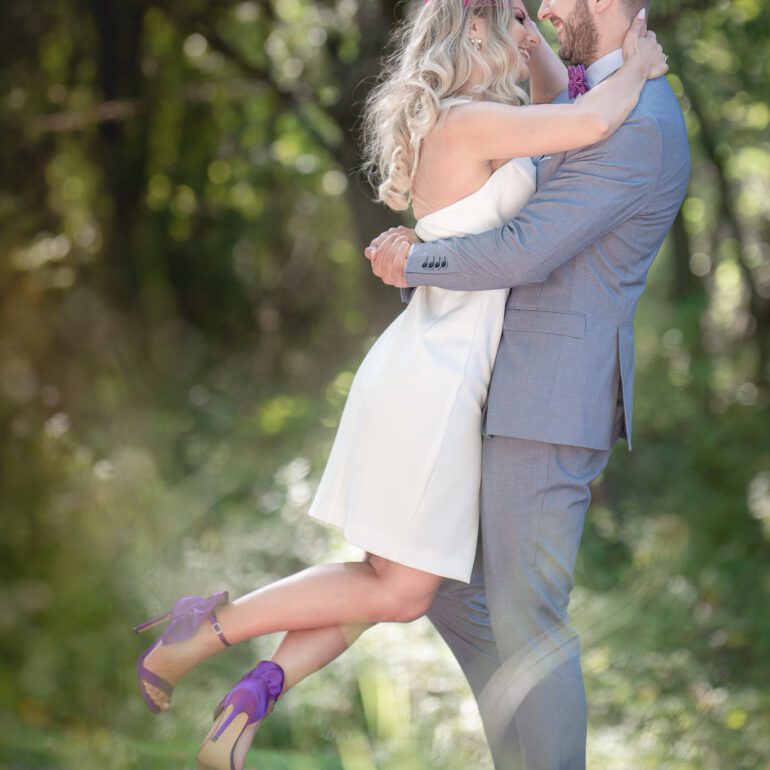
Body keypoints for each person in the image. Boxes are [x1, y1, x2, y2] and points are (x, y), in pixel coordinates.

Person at [131, 2, 670, 769]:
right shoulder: (465, 123)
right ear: (472, 33)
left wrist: (528, 36)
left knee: (383, 580)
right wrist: (641, 69)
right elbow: (588, 124)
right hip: (437, 383)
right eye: (508, 20)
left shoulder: (479, 123)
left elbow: (559, 105)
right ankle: (207, 629)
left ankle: (255, 693)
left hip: (438, 369)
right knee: (403, 592)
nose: (532, 30)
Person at [364, 0, 690, 767]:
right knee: (448, 587)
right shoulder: (592, 96)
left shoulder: (639, 120)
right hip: (500, 382)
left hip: (550, 395)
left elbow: (524, 250)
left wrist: (416, 262)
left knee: (528, 619)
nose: (542, 7)